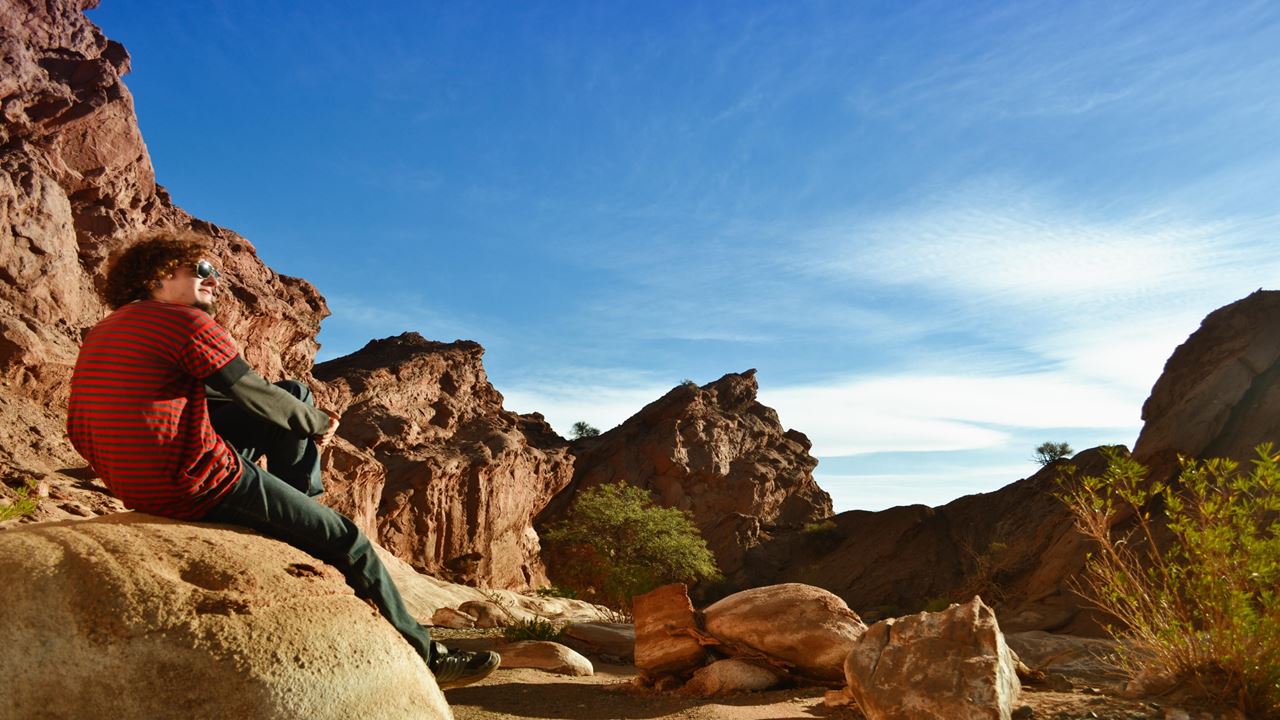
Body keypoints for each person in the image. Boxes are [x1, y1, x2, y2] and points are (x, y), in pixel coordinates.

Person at [66, 230, 499, 689]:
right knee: (348, 540)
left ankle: (297, 503)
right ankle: (426, 657)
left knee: (292, 392)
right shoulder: (184, 324)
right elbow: (251, 392)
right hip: (191, 481)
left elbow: (83, 426)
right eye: (203, 270)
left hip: (133, 481)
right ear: (156, 275)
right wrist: (317, 424)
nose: (214, 281)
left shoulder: (107, 331)